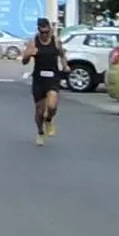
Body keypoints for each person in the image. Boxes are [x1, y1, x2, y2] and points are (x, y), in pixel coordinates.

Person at [21, 17, 69, 145]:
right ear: (38, 31)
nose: (44, 35)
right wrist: (29, 54)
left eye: (46, 32)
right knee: (39, 111)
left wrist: (65, 65)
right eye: (42, 32)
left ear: (50, 30)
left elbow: (62, 55)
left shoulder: (56, 42)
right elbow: (24, 61)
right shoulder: (33, 42)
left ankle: (49, 119)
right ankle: (40, 132)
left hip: (53, 77)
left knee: (52, 106)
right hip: (39, 80)